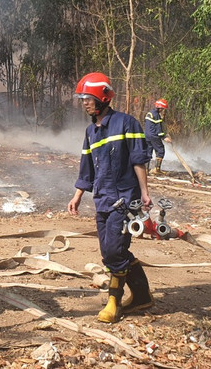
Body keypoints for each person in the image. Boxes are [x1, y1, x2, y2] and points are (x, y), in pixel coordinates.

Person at [67, 72, 154, 323]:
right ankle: (141, 296)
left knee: (115, 251)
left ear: (103, 98)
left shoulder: (127, 123)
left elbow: (139, 160)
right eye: (82, 98)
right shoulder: (90, 132)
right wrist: (77, 196)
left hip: (125, 199)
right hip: (103, 199)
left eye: (88, 98)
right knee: (110, 251)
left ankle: (113, 302)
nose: (84, 102)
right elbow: (87, 168)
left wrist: (145, 193)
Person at [144, 98, 172, 174]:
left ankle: (146, 170)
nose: (163, 110)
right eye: (162, 109)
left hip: (147, 135)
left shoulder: (149, 113)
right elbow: (158, 129)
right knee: (160, 150)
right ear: (160, 108)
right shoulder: (156, 116)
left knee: (148, 152)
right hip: (154, 136)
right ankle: (157, 169)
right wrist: (164, 137)